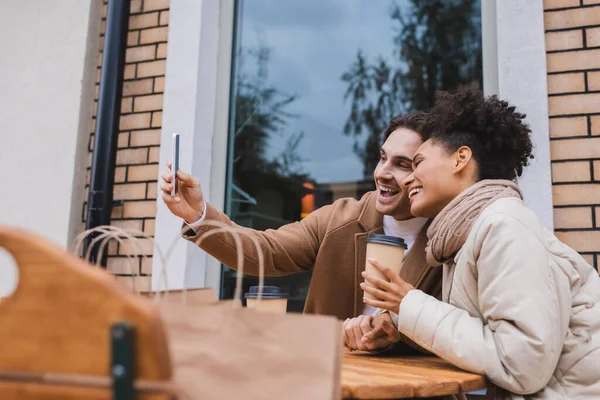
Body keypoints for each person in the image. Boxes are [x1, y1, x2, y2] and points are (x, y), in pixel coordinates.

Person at [361, 85, 600, 398]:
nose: (407, 179)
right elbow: (481, 343)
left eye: (417, 163)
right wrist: (396, 324)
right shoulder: (464, 235)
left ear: (461, 159)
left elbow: (522, 365)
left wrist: (408, 304)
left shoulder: (504, 225)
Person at [160, 112, 442, 352]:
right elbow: (265, 252)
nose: (382, 172)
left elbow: (464, 332)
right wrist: (197, 215)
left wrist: (398, 333)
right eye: (383, 158)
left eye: (402, 164)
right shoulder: (340, 219)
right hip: (331, 382)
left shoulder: (451, 237)